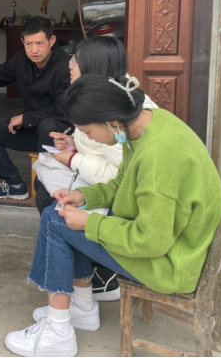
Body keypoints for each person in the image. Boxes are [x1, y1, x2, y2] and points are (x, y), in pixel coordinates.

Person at [4, 74, 221, 357]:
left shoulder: (157, 156)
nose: (87, 138)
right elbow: (124, 182)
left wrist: (91, 223)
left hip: (170, 262)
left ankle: (58, 333)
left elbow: (151, 241)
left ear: (109, 120)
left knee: (54, 220)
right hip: (181, 243)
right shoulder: (150, 123)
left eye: (87, 131)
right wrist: (86, 197)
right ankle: (81, 307)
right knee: (66, 215)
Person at [32, 36, 158, 302]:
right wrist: (74, 143)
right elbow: (101, 147)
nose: (70, 64)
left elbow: (121, 175)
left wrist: (72, 159)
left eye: (76, 59)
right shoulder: (106, 97)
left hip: (124, 206)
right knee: (50, 193)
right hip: (108, 190)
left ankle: (93, 285)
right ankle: (82, 297)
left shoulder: (120, 114)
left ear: (92, 66)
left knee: (56, 214)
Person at [0, 16, 71, 200]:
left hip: (60, 136)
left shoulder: (65, 66)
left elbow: (62, 111)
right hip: (31, 130)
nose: (34, 50)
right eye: (29, 44)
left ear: (52, 41)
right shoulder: (21, 59)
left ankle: (48, 191)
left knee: (49, 125)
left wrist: (25, 118)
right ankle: (14, 185)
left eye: (39, 44)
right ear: (22, 42)